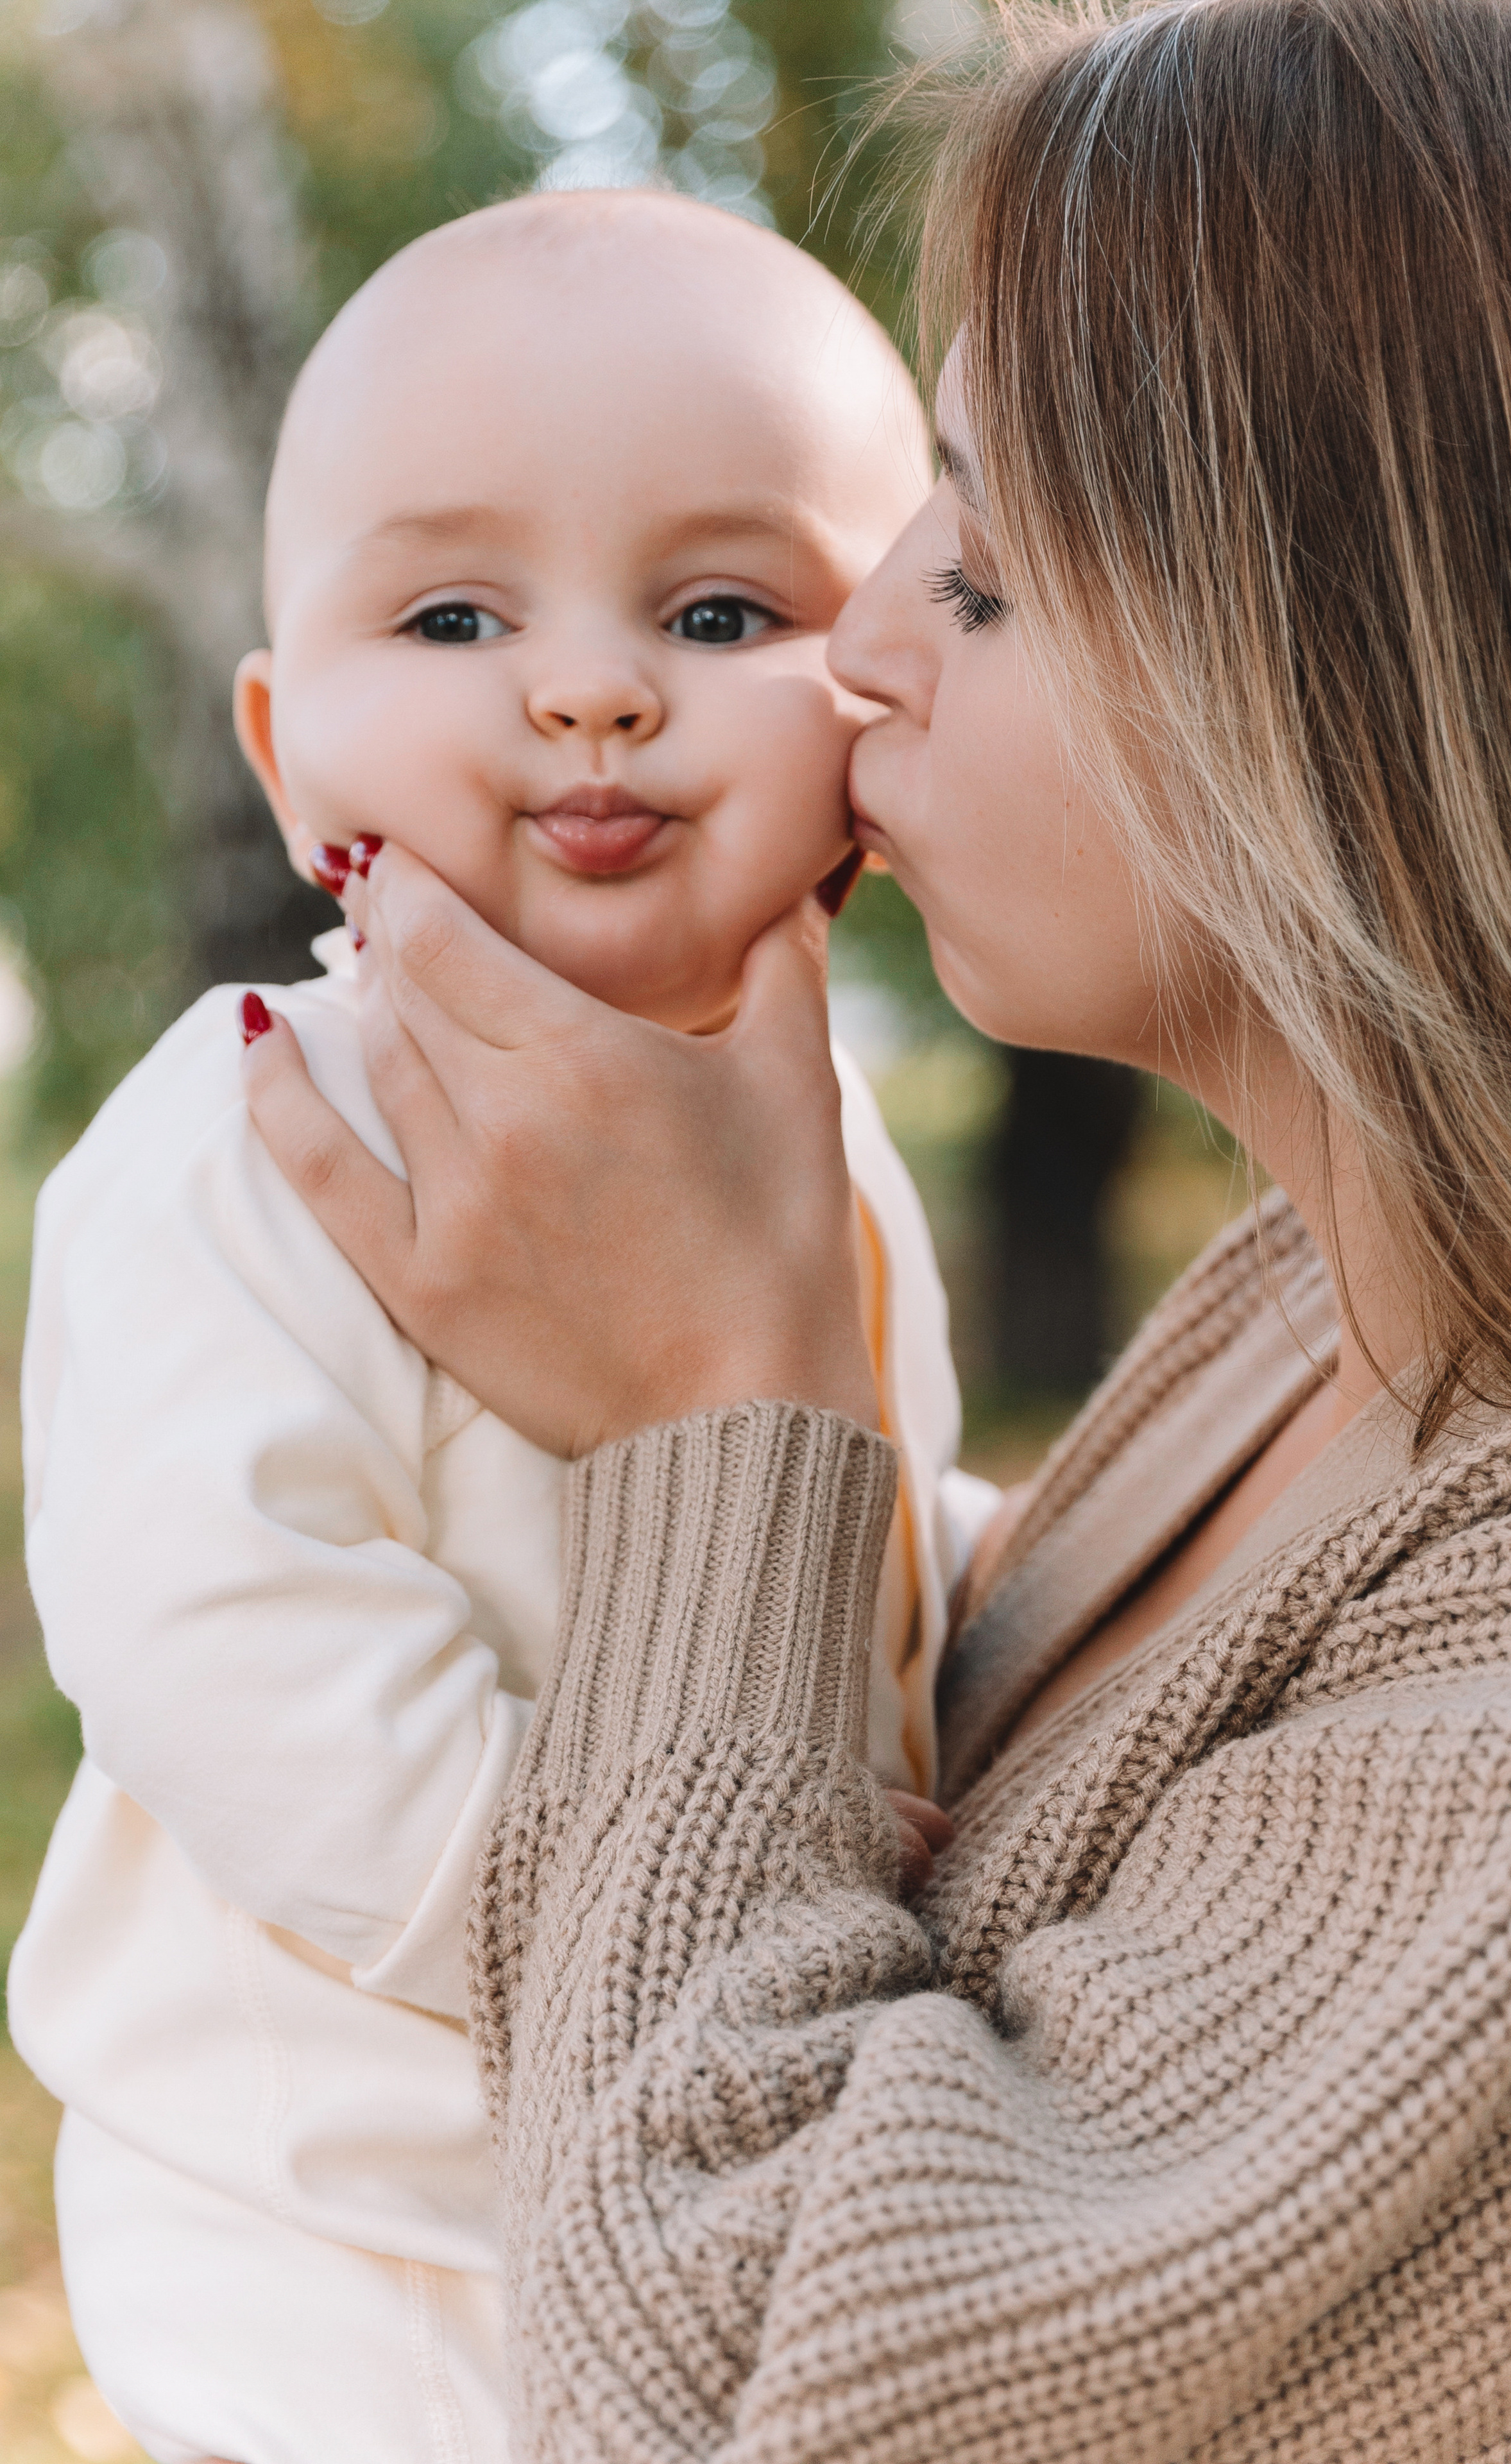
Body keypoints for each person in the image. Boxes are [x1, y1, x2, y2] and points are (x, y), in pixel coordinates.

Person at [241, 0, 1511, 2455]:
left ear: (1363, 682)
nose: (853, 654)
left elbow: (759, 2409)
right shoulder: (1338, 1295)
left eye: (980, 572)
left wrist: (726, 1423)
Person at [6, 193, 995, 2464]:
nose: (589, 689)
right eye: (456, 613)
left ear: (881, 700)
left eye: (720, 609)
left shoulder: (805, 1134)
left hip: (723, 2147)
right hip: (345, 2240)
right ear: (284, 745)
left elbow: (857, 1501)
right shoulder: (256, 1133)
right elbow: (218, 1636)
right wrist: (611, 1908)